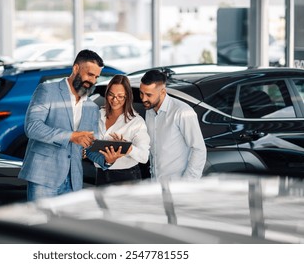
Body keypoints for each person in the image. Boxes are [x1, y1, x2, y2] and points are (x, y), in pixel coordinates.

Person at [18, 49, 118, 201]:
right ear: (76, 68)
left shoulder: (91, 107)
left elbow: (89, 146)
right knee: (41, 224)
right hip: (44, 178)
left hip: (74, 181)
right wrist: (71, 136)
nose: (93, 81)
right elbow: (32, 127)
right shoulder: (47, 91)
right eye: (90, 74)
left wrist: (107, 159)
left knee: (64, 225)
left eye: (96, 77)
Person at [139, 69, 206, 181]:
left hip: (178, 186)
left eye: (148, 95)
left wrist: (186, 184)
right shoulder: (149, 111)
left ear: (163, 92)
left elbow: (199, 149)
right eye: (141, 93)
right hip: (156, 184)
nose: (143, 98)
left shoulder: (182, 112)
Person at [86, 74, 150, 185]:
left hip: (127, 178)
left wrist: (128, 148)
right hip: (101, 174)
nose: (115, 100)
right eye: (111, 95)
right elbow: (90, 146)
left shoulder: (136, 122)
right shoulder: (97, 115)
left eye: (120, 96)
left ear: (127, 97)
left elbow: (144, 157)